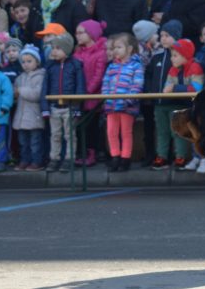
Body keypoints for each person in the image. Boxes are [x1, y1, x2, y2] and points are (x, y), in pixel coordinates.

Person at [41, 32, 84, 173]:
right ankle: (54, 159)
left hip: (70, 106)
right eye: (53, 48)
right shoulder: (50, 66)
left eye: (58, 48)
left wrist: (78, 106)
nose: (53, 51)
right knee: (55, 134)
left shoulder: (75, 65)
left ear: (67, 50)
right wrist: (45, 107)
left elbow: (80, 86)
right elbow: (44, 88)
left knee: (70, 135)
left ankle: (69, 159)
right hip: (54, 106)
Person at [101, 33, 144, 173]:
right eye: (114, 48)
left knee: (126, 132)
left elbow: (137, 84)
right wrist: (107, 97)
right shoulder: (111, 67)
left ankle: (125, 158)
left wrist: (129, 99)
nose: (115, 51)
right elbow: (106, 83)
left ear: (130, 48)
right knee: (111, 132)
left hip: (127, 106)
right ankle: (115, 156)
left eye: (119, 47)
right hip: (112, 106)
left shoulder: (136, 66)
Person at [157, 38, 202, 170]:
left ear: (186, 55)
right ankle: (190, 158)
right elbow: (166, 88)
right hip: (182, 104)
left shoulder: (195, 67)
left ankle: (201, 158)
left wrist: (175, 88)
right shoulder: (173, 69)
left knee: (196, 133)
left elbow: (197, 89)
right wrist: (173, 88)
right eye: (172, 55)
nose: (172, 59)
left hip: (196, 106)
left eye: (175, 55)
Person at [72, 19, 107, 167]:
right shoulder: (77, 52)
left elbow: (98, 75)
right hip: (80, 96)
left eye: (81, 33)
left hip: (92, 97)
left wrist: (87, 91)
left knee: (91, 126)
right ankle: (82, 152)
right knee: (80, 127)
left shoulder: (101, 52)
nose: (78, 36)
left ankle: (92, 153)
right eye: (76, 33)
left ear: (91, 34)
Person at [144, 20, 178, 169]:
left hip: (176, 102)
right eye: (162, 35)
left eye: (168, 35)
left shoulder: (179, 58)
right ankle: (162, 157)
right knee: (162, 132)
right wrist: (149, 94)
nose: (163, 38)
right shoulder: (156, 58)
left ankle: (179, 156)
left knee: (176, 132)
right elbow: (149, 76)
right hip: (159, 103)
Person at [13, 45, 45, 172]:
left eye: (29, 61)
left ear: (37, 62)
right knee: (23, 142)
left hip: (34, 116)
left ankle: (36, 161)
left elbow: (37, 94)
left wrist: (20, 90)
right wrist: (14, 94)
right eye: (23, 62)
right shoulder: (20, 78)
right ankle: (24, 160)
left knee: (35, 143)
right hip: (21, 117)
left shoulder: (40, 76)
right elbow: (14, 94)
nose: (25, 64)